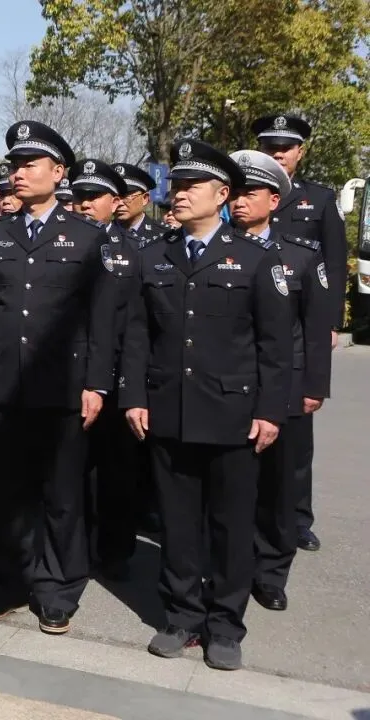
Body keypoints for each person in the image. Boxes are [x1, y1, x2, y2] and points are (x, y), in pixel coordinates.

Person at [122, 139, 292, 671]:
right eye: (176, 184)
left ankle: (224, 625)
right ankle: (181, 617)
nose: (179, 193)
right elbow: (137, 334)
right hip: (168, 409)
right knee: (177, 524)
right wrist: (133, 396)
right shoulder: (155, 255)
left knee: (231, 526)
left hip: (232, 415)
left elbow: (275, 346)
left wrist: (270, 411)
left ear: (222, 194)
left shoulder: (257, 258)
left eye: (191, 185)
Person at [0, 121, 116, 634]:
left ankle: (57, 588)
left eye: (30, 164)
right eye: (14, 165)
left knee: (61, 494)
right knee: (6, 492)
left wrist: (96, 384)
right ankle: (10, 580)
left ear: (59, 172)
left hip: (62, 385)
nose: (18, 173)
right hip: (1, 384)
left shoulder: (87, 237)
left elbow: (101, 319)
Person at [226, 150, 331, 613]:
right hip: (229, 386)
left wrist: (314, 386)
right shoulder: (213, 249)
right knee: (231, 486)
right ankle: (228, 564)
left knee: (280, 486)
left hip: (286, 388)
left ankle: (270, 572)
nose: (240, 202)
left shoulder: (300, 255)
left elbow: (316, 327)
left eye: (251, 193)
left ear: (274, 200)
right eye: (235, 193)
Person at [253, 113, 345, 552]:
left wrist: (329, 322)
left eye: (284, 148)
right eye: (269, 147)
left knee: (295, 436)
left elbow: (333, 264)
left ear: (299, 152)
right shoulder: (244, 194)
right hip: (253, 322)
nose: (277, 154)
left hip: (299, 320)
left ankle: (297, 518)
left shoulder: (319, 199)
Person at [69, 158, 140, 580]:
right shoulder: (62, 245)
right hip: (69, 376)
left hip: (116, 377)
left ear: (116, 203)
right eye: (79, 196)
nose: (84, 204)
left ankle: (115, 552)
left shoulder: (134, 251)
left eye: (94, 197)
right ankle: (72, 551)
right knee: (69, 474)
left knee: (117, 473)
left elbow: (137, 325)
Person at [112, 163, 167, 242]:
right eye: (114, 197)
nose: (119, 203)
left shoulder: (165, 236)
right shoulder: (100, 234)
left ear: (145, 199)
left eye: (126, 196)